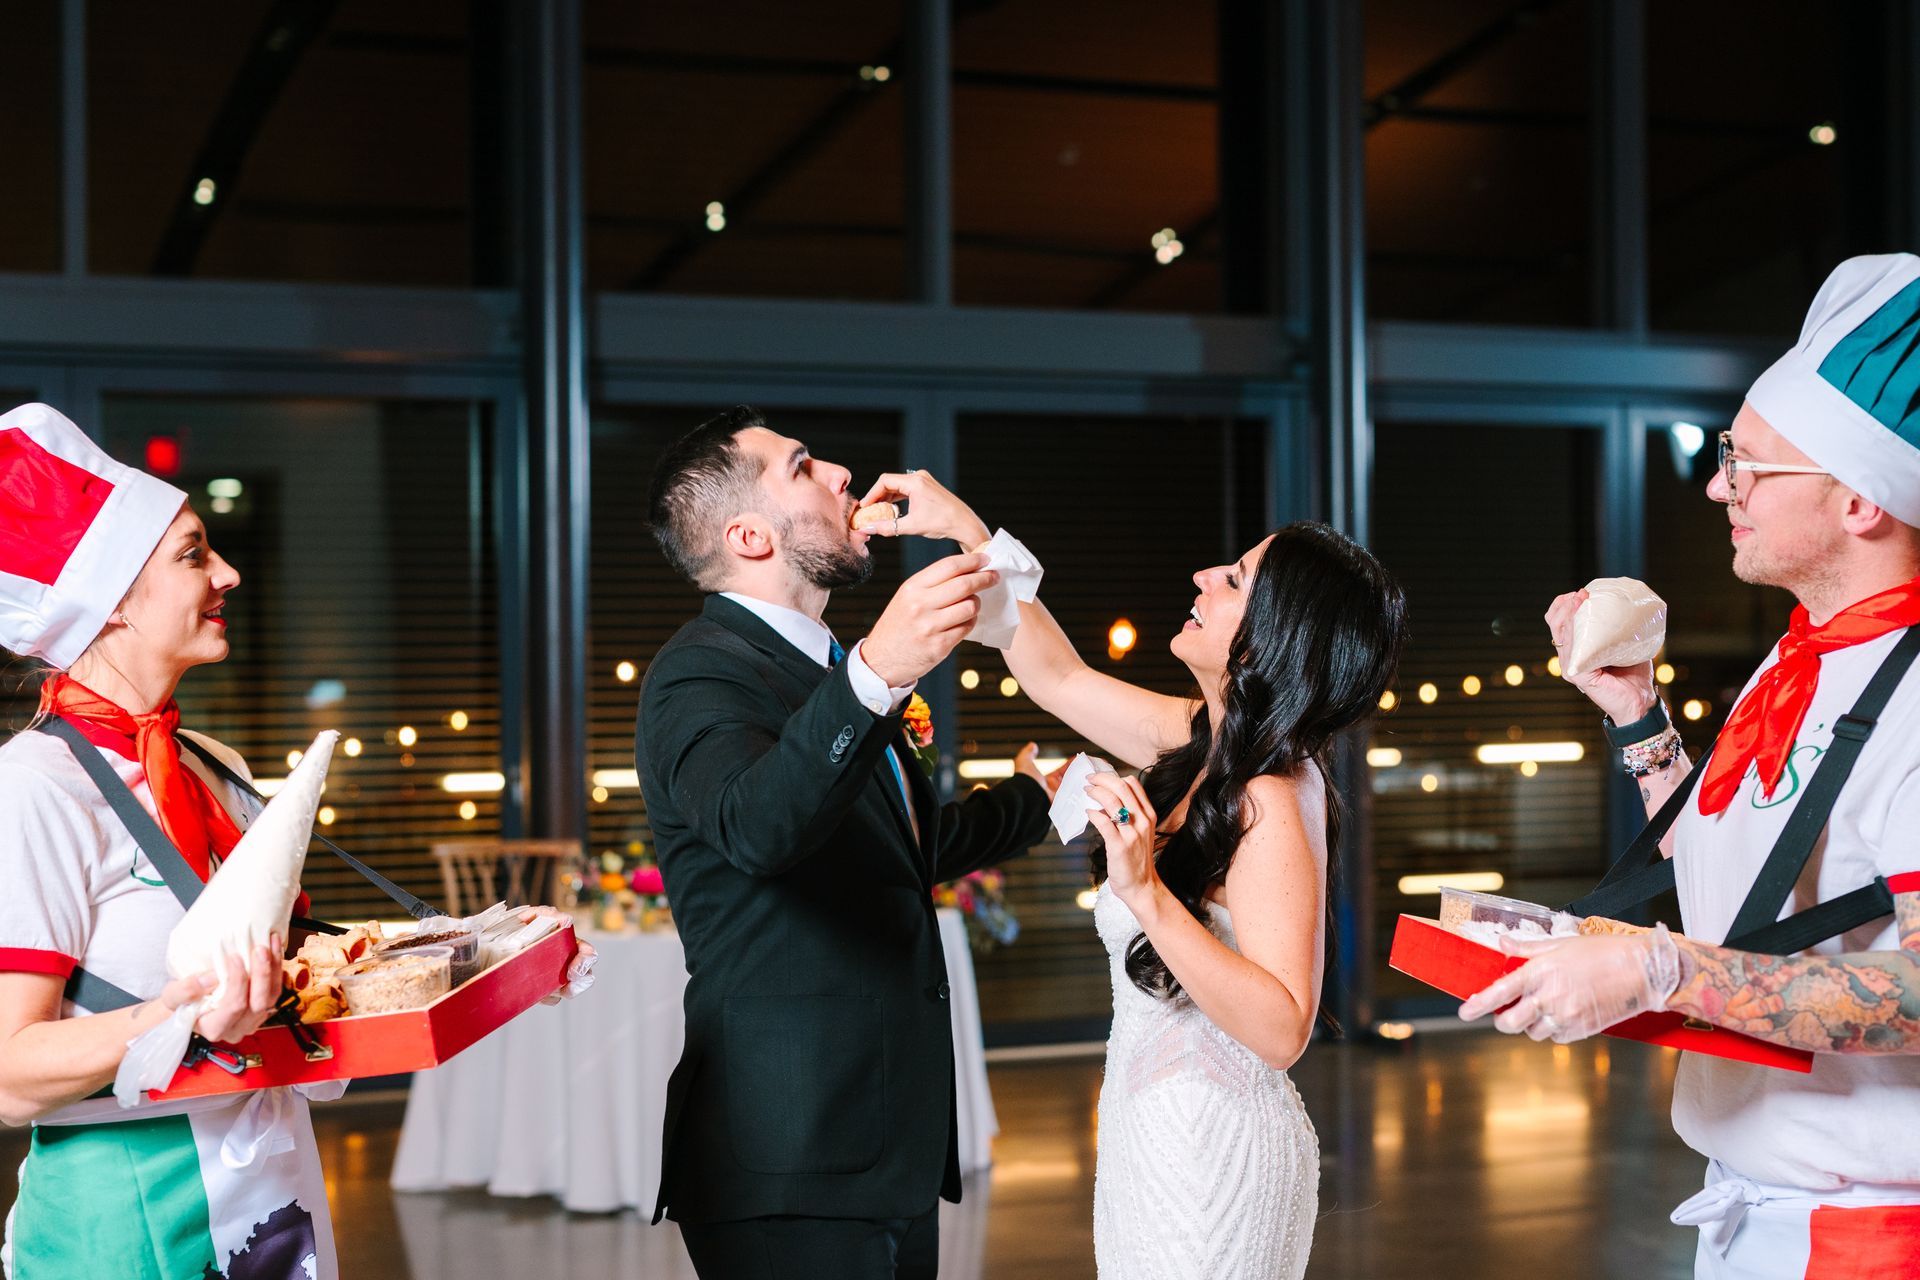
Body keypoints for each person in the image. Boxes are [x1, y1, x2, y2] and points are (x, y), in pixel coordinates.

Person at [1459, 253, 1920, 1278]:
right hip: (1755, 1211)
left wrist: (1661, 969)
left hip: (1869, 1236)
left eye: (1748, 463)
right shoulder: (1802, 654)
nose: (1719, 484)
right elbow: (1734, 875)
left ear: (1859, 501)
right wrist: (1636, 711)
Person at [858, 470, 1407, 1280]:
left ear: (1268, 638)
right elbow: (1057, 676)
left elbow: (1284, 1026)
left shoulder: (1273, 795)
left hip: (1212, 1155)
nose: (1202, 579)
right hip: (1148, 1137)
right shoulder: (1207, 740)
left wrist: (1145, 891)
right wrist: (964, 526)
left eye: (1234, 580)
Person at [634, 406, 1054, 1280]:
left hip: (883, 1145)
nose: (839, 475)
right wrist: (877, 672)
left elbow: (907, 850)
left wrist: (1036, 798)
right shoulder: (695, 673)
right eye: (801, 467)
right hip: (791, 1158)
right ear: (749, 535)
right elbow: (758, 826)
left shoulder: (826, 669)